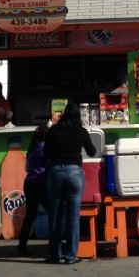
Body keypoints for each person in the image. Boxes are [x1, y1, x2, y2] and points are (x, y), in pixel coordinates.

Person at [43, 104, 96, 265]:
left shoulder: (53, 130)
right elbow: (92, 151)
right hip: (74, 173)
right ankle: (71, 257)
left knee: (55, 216)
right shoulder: (81, 131)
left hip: (55, 173)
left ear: (64, 114)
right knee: (73, 217)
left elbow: (46, 153)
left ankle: (54, 256)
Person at [17, 123, 50, 256]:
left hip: (29, 184)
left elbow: (27, 169)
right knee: (52, 212)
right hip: (40, 184)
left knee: (30, 215)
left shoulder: (32, 149)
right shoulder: (46, 148)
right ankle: (55, 244)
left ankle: (22, 246)